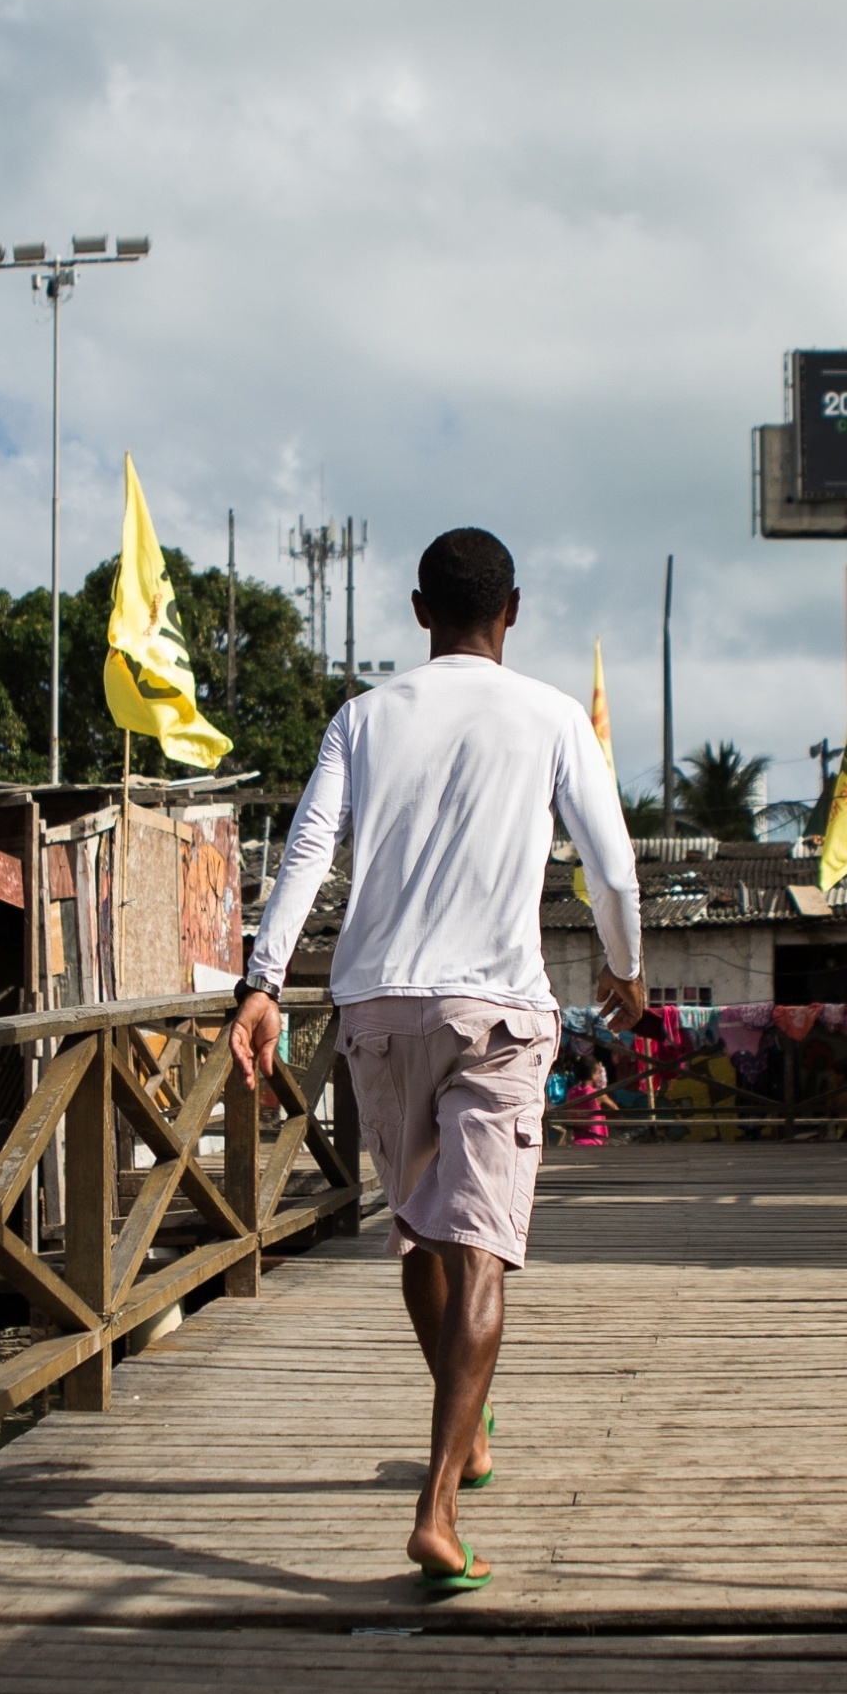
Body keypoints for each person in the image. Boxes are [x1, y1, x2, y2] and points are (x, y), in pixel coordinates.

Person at [231, 527, 643, 1595]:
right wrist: (626, 969)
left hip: (374, 1007)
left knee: (420, 1238)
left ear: (420, 611)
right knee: (485, 1256)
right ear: (512, 610)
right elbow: (611, 862)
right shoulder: (552, 714)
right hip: (497, 1009)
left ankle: (470, 1433)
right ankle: (438, 1513)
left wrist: (261, 981)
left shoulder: (362, 719)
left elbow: (308, 852)